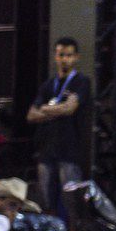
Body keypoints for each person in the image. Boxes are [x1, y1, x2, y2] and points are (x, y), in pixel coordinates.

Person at [26, 37, 92, 217]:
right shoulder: (48, 85)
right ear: (55, 56)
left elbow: (70, 108)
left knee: (71, 198)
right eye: (61, 55)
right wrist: (57, 109)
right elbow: (31, 115)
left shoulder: (81, 81)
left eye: (69, 55)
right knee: (45, 198)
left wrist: (46, 109)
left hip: (70, 149)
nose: (65, 59)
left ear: (76, 57)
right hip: (46, 149)